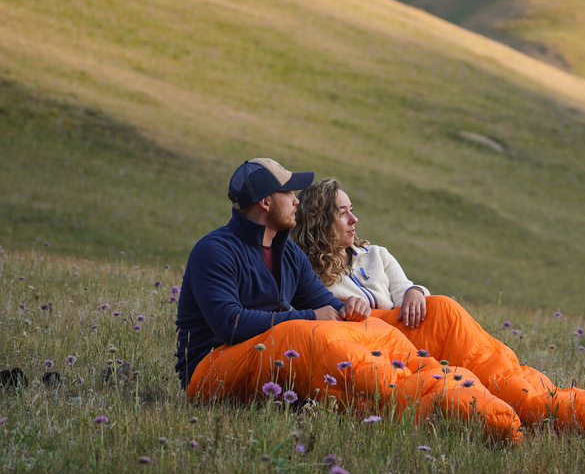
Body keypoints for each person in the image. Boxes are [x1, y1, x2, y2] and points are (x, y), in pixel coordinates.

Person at [175, 158, 524, 443]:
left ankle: (511, 397)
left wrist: (348, 308)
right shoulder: (215, 251)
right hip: (212, 369)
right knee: (305, 335)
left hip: (272, 352)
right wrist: (311, 316)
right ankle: (435, 407)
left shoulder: (287, 254)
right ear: (266, 203)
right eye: (288, 192)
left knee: (375, 326)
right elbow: (229, 325)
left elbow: (323, 302)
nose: (297, 199)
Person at [292, 178, 585, 441]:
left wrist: (418, 293)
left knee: (499, 371)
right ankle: (509, 418)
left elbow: (405, 288)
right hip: (390, 355)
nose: (354, 220)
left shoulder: (376, 255)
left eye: (353, 210)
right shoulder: (305, 272)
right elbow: (320, 321)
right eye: (343, 214)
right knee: (455, 389)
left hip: (421, 333)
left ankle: (554, 407)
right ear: (320, 221)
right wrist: (347, 309)